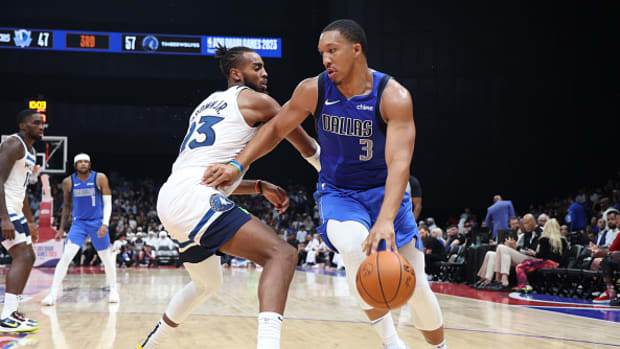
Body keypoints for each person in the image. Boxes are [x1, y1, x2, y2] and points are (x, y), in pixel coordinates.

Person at [203, 19, 446, 349]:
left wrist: (387, 219)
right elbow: (275, 129)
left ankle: (440, 346)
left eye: (332, 51)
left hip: (386, 195)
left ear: (356, 50)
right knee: (352, 244)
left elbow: (399, 164)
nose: (325, 60)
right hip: (340, 193)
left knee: (417, 290)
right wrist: (237, 163)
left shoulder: (394, 96)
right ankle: (393, 343)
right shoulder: (313, 89)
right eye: (322, 53)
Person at [137, 45, 319, 349]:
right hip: (193, 197)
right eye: (257, 67)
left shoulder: (205, 105)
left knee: (208, 283)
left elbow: (214, 174)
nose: (265, 73)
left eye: (264, 68)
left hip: (173, 196)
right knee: (282, 255)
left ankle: (150, 344)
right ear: (237, 73)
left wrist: (259, 186)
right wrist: (327, 169)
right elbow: (306, 146)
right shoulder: (259, 101)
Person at [42, 153, 119, 305]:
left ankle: (114, 290)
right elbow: (67, 206)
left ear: (90, 164)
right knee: (66, 257)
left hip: (97, 223)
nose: (83, 164)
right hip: (78, 224)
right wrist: (61, 228)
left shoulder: (100, 178)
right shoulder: (68, 182)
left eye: (86, 162)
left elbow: (108, 203)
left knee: (106, 258)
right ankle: (52, 294)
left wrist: (105, 223)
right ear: (75, 165)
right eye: (80, 162)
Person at [0, 110, 43, 332]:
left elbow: (23, 190)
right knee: (23, 255)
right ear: (23, 125)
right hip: (4, 209)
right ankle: (6, 316)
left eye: (42, 123)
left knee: (28, 256)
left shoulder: (31, 151)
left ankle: (11, 313)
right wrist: (4, 217)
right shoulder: (13, 144)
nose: (41, 126)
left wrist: (31, 220)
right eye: (36, 123)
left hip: (15, 208)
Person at [513, 219, 568, 293]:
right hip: (557, 264)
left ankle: (525, 285)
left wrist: (534, 253)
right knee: (527, 263)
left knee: (520, 266)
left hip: (546, 263)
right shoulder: (563, 241)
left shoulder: (544, 239)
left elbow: (541, 256)